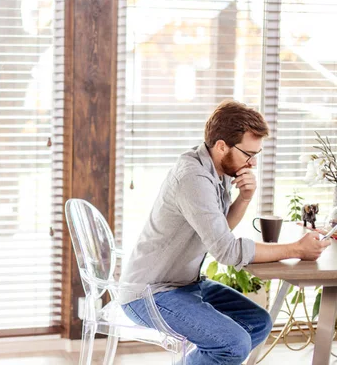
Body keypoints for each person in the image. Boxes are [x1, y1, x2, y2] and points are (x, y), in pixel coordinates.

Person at [119, 100, 330, 365]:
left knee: (257, 323)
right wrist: (296, 249)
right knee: (233, 344)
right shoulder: (193, 178)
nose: (252, 163)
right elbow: (226, 251)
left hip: (185, 284)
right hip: (151, 292)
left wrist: (245, 197)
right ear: (221, 146)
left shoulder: (216, 172)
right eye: (248, 154)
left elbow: (219, 231)